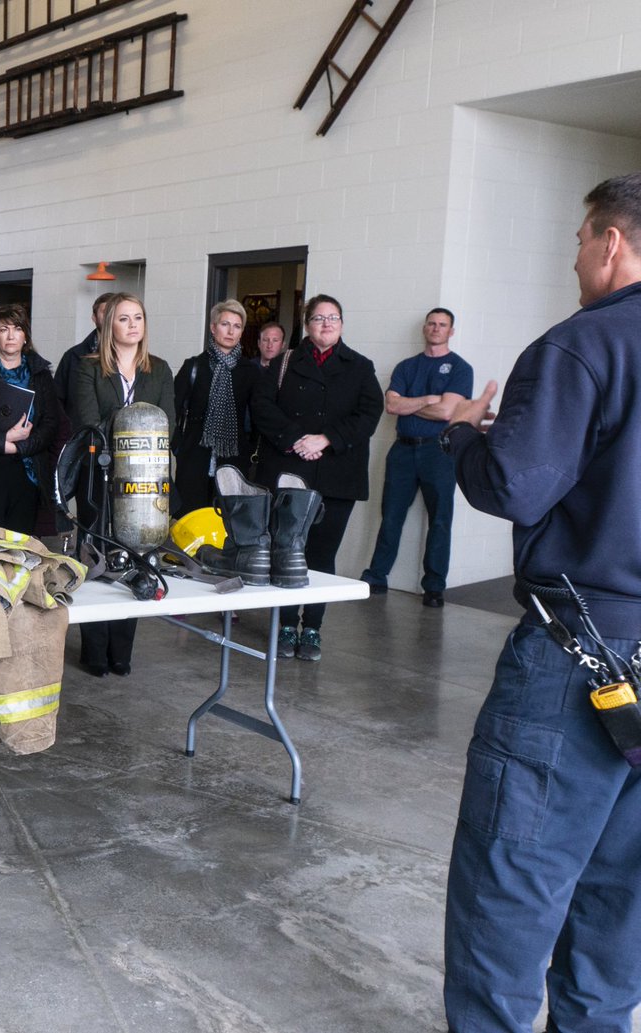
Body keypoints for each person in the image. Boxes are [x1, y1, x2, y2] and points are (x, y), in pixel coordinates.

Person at [441, 173, 641, 1033]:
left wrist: (462, 433)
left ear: (610, 242)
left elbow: (518, 484)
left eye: (578, 241)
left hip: (577, 660)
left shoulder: (582, 346)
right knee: (621, 898)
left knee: (508, 889)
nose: (574, 260)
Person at [250, 293, 381, 662]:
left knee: (323, 554)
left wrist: (327, 439)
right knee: (288, 550)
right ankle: (287, 624)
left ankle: (313, 629)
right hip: (290, 468)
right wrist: (295, 438)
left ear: (342, 324)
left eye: (334, 318)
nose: (327, 324)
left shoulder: (360, 366)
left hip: (337, 474)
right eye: (319, 318)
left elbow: (369, 414)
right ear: (307, 325)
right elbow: (261, 405)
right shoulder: (284, 362)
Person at [73, 292, 175, 678]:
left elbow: (169, 422)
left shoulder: (160, 370)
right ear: (108, 325)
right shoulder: (88, 368)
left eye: (138, 318)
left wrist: (131, 426)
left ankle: (122, 651)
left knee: (138, 559)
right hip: (98, 477)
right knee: (99, 561)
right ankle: (94, 651)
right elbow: (87, 420)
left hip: (145, 483)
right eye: (124, 319)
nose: (133, 325)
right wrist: (134, 423)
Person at [359, 308, 473, 607]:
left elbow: (447, 411)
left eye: (443, 325)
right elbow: (392, 406)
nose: (436, 329)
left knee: (440, 520)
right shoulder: (407, 367)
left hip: (439, 450)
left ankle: (434, 586)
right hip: (403, 450)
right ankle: (377, 576)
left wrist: (409, 403)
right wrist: (428, 400)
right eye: (432, 324)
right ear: (425, 328)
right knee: (391, 515)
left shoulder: (460, 368)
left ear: (451, 331)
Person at [0, 302, 59, 533]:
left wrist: (20, 446)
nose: (11, 335)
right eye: (3, 329)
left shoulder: (41, 375)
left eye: (17, 328)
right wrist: (3, 440)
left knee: (22, 543)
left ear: (25, 336)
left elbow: (50, 424)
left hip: (28, 467)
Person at [173, 299, 260, 517]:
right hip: (194, 454)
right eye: (225, 324)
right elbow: (171, 409)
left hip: (234, 456)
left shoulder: (250, 371)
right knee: (190, 518)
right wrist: (178, 448)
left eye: (237, 326)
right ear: (213, 328)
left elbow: (260, 415)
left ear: (241, 333)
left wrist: (250, 449)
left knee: (228, 521)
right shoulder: (194, 366)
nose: (231, 331)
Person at [54, 292, 115, 411]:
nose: (110, 316)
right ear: (94, 317)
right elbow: (57, 399)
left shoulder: (132, 357)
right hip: (80, 428)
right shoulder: (73, 356)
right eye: (105, 312)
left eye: (114, 312)